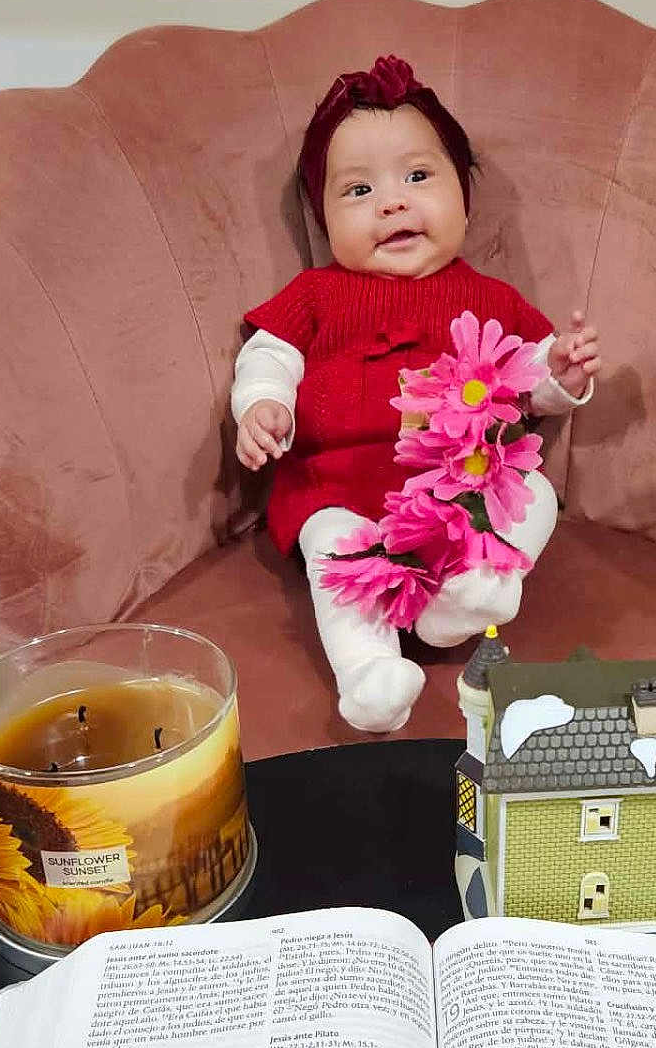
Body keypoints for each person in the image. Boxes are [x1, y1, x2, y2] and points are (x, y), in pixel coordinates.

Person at [231, 54, 600, 734]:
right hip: (339, 487)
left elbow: (529, 381)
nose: (392, 202)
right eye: (358, 190)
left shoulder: (491, 297)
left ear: (463, 195)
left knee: (535, 492)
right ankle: (369, 673)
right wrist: (262, 402)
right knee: (333, 544)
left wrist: (562, 375)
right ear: (323, 221)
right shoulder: (316, 294)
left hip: (462, 488)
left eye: (418, 177)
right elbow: (269, 354)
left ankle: (471, 591)